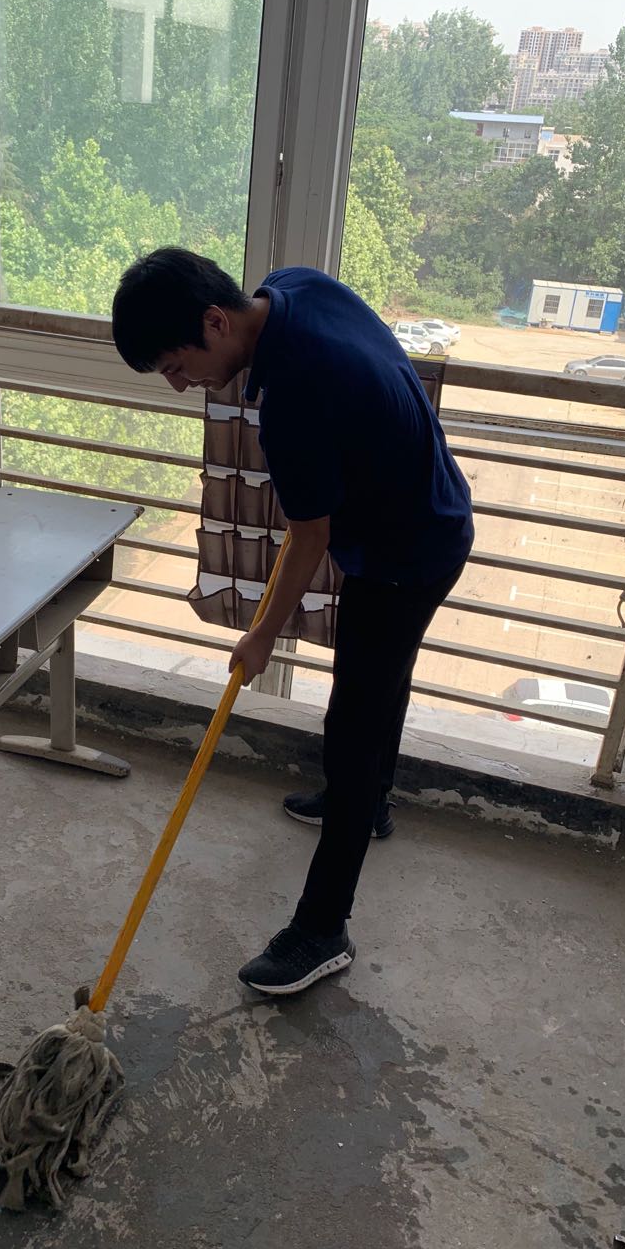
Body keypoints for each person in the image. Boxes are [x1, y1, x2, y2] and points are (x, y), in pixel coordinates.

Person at [111, 247, 473, 995]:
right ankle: (368, 802)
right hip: (428, 510)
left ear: (215, 321)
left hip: (407, 553)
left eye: (177, 366)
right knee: (379, 684)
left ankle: (322, 929)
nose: (180, 385)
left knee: (353, 727)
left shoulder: (296, 397)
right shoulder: (291, 288)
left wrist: (260, 636)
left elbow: (308, 537)